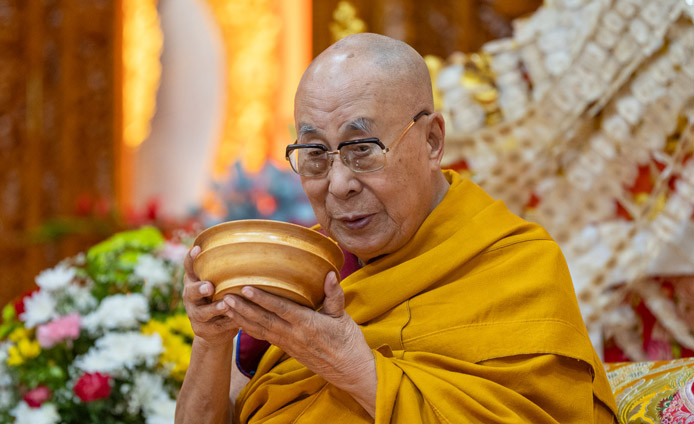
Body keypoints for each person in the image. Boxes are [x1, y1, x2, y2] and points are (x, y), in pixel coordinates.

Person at [175, 33, 618, 423]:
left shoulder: (519, 266)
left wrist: (354, 367)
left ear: (432, 141)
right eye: (314, 154)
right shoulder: (304, 269)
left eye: (362, 149)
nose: (339, 184)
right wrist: (211, 343)